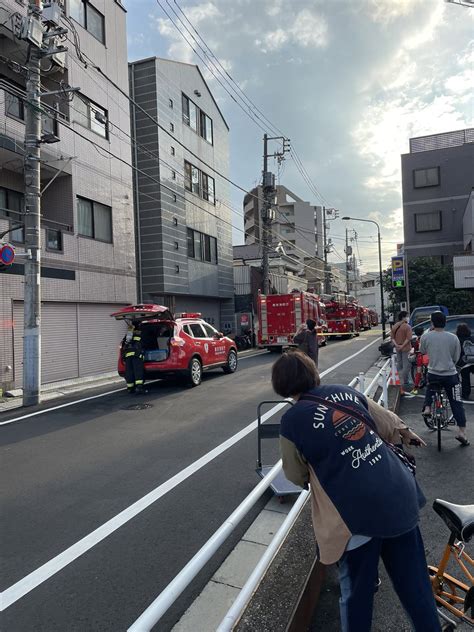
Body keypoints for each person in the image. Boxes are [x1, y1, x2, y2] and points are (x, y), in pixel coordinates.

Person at [272, 351, 440, 632]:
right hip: (398, 495)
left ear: (281, 384)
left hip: (356, 516)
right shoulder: (344, 392)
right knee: (416, 588)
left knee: (356, 598)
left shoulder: (292, 421)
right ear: (312, 372)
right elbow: (386, 422)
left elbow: (294, 473)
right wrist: (404, 431)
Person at [421, 311, 468, 446]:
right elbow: (456, 357)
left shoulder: (427, 337)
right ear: (445, 322)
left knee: (430, 386)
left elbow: (423, 351)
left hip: (433, 373)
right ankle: (462, 433)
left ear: (432, 323)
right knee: (457, 402)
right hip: (450, 375)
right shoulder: (453, 338)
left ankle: (428, 408)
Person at [391, 311, 413, 396]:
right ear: (404, 317)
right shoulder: (407, 326)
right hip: (406, 348)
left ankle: (399, 379)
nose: (408, 317)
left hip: (397, 348)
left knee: (399, 364)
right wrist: (403, 345)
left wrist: (397, 345)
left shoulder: (395, 326)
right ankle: (404, 381)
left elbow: (392, 337)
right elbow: (409, 338)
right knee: (406, 365)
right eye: (407, 316)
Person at [122, 319, 146, 394]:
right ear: (139, 325)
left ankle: (130, 388)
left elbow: (123, 344)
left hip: (128, 355)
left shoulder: (129, 333)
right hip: (136, 354)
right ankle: (139, 388)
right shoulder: (141, 332)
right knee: (137, 371)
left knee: (129, 371)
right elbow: (146, 342)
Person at [455, 322, 474, 401]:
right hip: (473, 360)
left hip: (464, 362)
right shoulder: (472, 338)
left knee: (465, 379)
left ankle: (465, 395)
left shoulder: (457, 340)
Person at [410, 325, 429, 395]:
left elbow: (415, 350)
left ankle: (415, 388)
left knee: (418, 372)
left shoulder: (416, 340)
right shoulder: (425, 339)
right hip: (427, 357)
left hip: (420, 357)